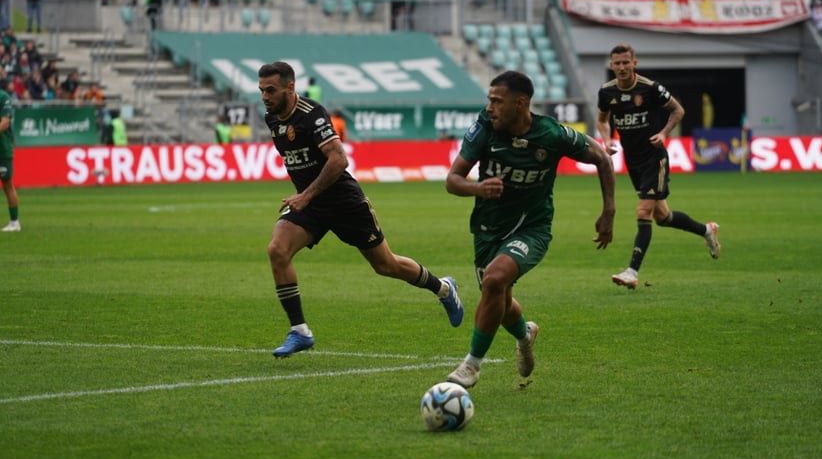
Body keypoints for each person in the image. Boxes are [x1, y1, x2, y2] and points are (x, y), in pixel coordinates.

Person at [257, 61, 463, 358]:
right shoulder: (272, 118)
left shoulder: (312, 115)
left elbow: (339, 160)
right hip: (311, 205)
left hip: (344, 202)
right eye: (262, 90)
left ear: (290, 87)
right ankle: (299, 331)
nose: (265, 96)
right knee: (277, 250)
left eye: (271, 90)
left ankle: (443, 288)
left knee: (386, 265)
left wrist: (306, 194)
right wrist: (306, 198)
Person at [444, 71, 616, 389]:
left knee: (495, 280)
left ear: (520, 103)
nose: (490, 107)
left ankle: (471, 365)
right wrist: (478, 189)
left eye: (497, 101)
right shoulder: (483, 128)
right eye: (489, 100)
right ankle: (525, 335)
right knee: (499, 298)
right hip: (487, 229)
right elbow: (452, 181)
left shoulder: (551, 134)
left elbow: (603, 160)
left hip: (531, 228)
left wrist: (609, 211)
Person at [595, 43, 720, 290]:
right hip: (633, 160)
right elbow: (602, 119)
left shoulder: (650, 88)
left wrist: (664, 133)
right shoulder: (606, 92)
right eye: (617, 63)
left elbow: (678, 110)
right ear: (611, 65)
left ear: (634, 64)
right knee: (663, 217)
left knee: (643, 212)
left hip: (655, 157)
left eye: (625, 63)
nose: (621, 67)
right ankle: (707, 230)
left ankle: (632, 271)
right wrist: (607, 141)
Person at [0, 88, 20, 231]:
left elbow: (5, 123)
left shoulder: (3, 97)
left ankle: (14, 223)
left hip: (2, 148)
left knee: (7, 185)